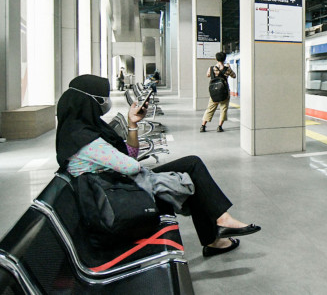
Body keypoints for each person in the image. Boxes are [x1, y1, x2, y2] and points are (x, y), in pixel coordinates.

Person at [56, 74, 260, 257]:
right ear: (88, 102)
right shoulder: (85, 141)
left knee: (191, 166)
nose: (107, 102)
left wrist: (133, 123)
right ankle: (217, 232)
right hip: (119, 201)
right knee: (192, 174)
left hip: (117, 187)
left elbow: (131, 155)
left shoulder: (84, 129)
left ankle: (220, 226)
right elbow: (131, 166)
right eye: (103, 98)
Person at [201, 52, 235, 133]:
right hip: (224, 92)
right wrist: (228, 68)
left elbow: (208, 75)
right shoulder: (227, 69)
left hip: (214, 92)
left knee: (210, 109)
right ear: (224, 59)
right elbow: (234, 76)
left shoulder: (211, 68)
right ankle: (219, 126)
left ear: (216, 59)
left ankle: (203, 126)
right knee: (223, 109)